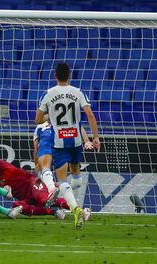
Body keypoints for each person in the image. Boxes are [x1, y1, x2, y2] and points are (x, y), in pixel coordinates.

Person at [35, 62, 100, 228]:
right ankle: (75, 204)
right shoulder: (78, 92)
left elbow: (37, 120)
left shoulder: (48, 94)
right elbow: (90, 115)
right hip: (77, 140)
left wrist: (50, 117)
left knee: (62, 180)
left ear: (55, 75)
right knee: (76, 176)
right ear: (69, 76)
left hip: (59, 142)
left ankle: (74, 207)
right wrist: (95, 138)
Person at [33, 120, 93, 221]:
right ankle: (79, 209)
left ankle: (52, 189)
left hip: (47, 141)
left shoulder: (39, 127)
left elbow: (36, 149)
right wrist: (86, 140)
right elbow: (79, 125)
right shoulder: (62, 120)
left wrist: (37, 166)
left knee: (45, 168)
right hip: (63, 142)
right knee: (70, 176)